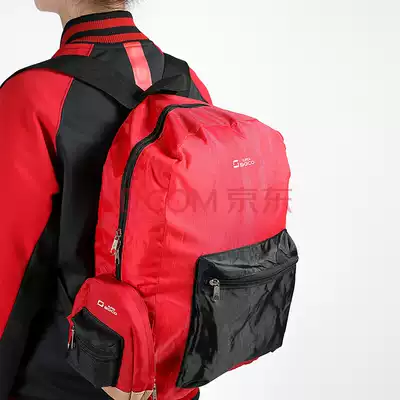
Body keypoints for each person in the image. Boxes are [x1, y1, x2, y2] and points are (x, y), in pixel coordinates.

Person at [0, 1, 211, 399]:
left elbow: (8, 271)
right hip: (172, 381)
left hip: (61, 379)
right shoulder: (188, 83)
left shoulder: (31, 96)